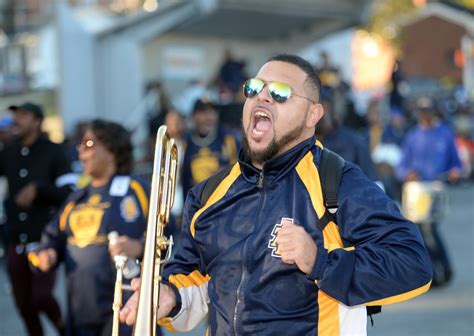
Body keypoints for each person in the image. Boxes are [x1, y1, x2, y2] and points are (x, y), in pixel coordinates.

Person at [120, 54, 432, 335]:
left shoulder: (336, 182)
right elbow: (195, 281)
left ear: (313, 115)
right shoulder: (209, 194)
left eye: (280, 93)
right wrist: (171, 297)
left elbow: (413, 265)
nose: (263, 98)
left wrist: (320, 263)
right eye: (254, 88)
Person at [36, 119, 151, 336]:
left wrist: (141, 247)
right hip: (81, 310)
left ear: (111, 149)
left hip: (126, 310)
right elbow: (53, 236)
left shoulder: (139, 190)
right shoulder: (76, 197)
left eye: (88, 144)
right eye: (80, 145)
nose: (81, 152)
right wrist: (48, 251)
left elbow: (169, 237)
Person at [0, 102, 75, 335]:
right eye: (15, 115)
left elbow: (70, 192)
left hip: (45, 239)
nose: (16, 120)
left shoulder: (54, 151)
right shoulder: (8, 152)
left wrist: (39, 188)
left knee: (41, 296)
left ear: (37, 121)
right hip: (15, 238)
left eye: (23, 115)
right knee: (23, 303)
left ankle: (66, 330)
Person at [396, 96, 462, 286]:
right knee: (420, 231)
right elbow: (402, 165)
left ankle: (443, 268)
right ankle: (434, 271)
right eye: (422, 111)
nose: (425, 115)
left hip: (436, 188)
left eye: (428, 111)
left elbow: (455, 162)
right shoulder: (413, 136)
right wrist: (407, 173)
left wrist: (455, 172)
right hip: (417, 191)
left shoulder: (445, 134)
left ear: (434, 112)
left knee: (430, 229)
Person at [181, 98, 239, 199]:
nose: (209, 117)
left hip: (223, 201)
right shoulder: (185, 143)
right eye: (203, 113)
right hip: (195, 201)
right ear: (194, 116)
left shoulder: (228, 139)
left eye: (212, 112)